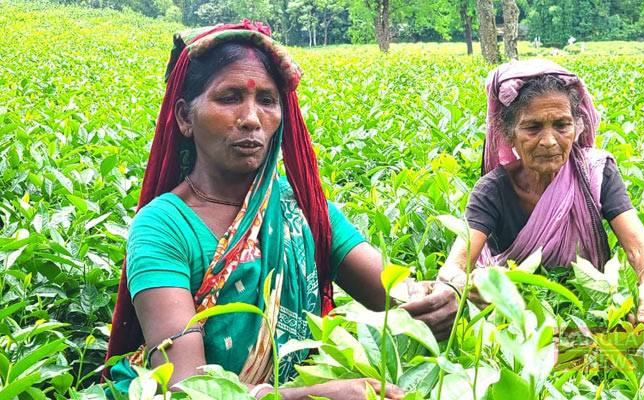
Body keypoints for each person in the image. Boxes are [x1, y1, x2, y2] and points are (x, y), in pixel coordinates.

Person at [104, 21, 458, 399]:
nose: (252, 118)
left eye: (268, 101)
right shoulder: (161, 227)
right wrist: (309, 396)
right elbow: (187, 388)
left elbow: (398, 296)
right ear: (184, 117)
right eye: (229, 98)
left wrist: (443, 297)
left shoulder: (300, 207)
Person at [437, 59, 644, 325]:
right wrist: (469, 283)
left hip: (590, 314)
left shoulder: (597, 173)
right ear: (509, 135)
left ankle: (581, 354)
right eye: (533, 127)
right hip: (517, 322)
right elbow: (455, 268)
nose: (549, 140)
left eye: (561, 125)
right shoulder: (492, 190)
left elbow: (641, 249)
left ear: (576, 127)